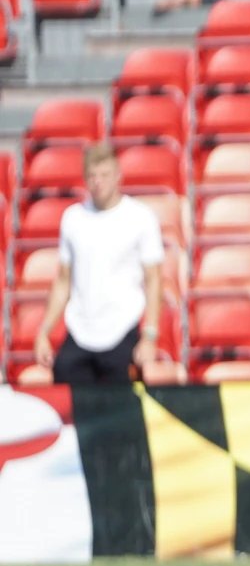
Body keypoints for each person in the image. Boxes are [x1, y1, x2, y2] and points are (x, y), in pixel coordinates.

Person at [31, 145, 164, 386]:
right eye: (92, 176)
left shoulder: (140, 217)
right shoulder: (73, 218)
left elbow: (154, 279)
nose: (98, 182)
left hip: (121, 330)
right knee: (69, 407)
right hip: (80, 331)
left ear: (118, 175)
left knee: (122, 414)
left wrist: (150, 335)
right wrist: (44, 331)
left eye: (104, 175)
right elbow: (63, 281)